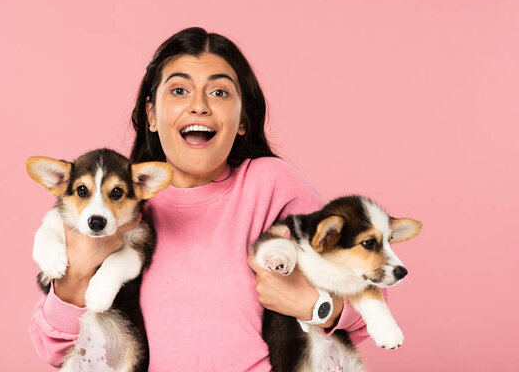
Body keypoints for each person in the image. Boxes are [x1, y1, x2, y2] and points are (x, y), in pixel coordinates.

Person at [29, 27, 371, 371]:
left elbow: (367, 296)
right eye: (179, 90)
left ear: (242, 120)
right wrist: (76, 274)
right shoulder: (114, 206)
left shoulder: (272, 184)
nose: (199, 106)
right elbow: (54, 348)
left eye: (219, 92)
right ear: (151, 113)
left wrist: (316, 305)